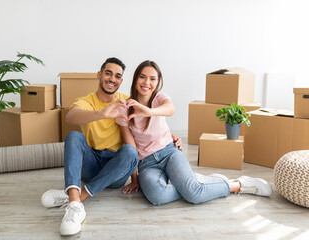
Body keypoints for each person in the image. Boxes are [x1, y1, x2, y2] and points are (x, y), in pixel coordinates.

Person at [40, 57, 182, 236]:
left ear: (121, 81)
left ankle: (75, 198)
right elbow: (71, 116)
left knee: (130, 151)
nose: (112, 79)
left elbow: (146, 127)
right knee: (74, 136)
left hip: (117, 168)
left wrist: (171, 137)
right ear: (99, 75)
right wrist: (102, 113)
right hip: (91, 166)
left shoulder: (126, 101)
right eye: (108, 73)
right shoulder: (87, 101)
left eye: (117, 76)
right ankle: (75, 203)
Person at [116, 60, 272, 205]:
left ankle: (238, 185)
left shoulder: (159, 98)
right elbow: (131, 149)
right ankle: (193, 183)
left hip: (169, 153)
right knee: (156, 196)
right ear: (135, 78)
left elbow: (170, 109)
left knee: (194, 195)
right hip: (147, 164)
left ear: (158, 82)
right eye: (142, 77)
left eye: (152, 79)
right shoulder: (124, 108)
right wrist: (135, 179)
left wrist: (148, 111)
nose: (147, 83)